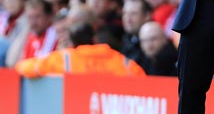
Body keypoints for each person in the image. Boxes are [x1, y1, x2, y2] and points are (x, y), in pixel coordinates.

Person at [15, 22, 145, 78]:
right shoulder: (121, 61)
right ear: (95, 39)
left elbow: (24, 67)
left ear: (71, 42)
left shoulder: (64, 58)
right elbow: (143, 79)